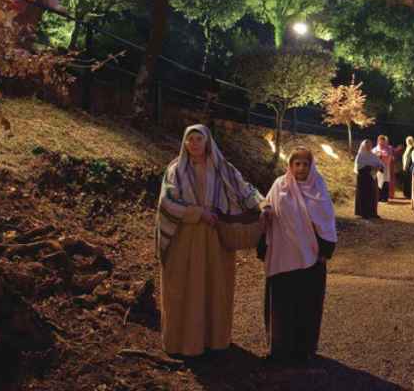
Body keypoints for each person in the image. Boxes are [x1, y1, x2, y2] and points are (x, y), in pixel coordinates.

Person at [156, 124, 262, 357]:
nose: (194, 143)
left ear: (207, 142)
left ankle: (214, 341)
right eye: (190, 139)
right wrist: (197, 213)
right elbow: (166, 202)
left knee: (215, 287)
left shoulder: (223, 168)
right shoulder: (175, 170)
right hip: (184, 238)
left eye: (198, 139)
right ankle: (181, 343)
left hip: (215, 237)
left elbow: (245, 191)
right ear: (184, 143)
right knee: (183, 288)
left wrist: (265, 206)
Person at [258, 147, 337, 364]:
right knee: (281, 306)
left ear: (311, 167)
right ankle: (279, 350)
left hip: (310, 260)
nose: (301, 168)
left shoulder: (319, 189)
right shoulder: (279, 186)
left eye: (305, 164)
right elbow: (267, 214)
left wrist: (324, 251)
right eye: (297, 164)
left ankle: (304, 351)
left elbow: (327, 223)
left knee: (306, 307)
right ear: (290, 166)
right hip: (282, 257)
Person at [353, 139, 383, 219]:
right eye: (367, 145)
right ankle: (364, 213)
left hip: (372, 178)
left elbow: (380, 164)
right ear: (364, 146)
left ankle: (373, 212)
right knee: (364, 195)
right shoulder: (360, 155)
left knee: (373, 195)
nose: (369, 147)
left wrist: (379, 167)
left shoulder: (373, 155)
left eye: (370, 145)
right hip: (363, 179)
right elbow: (359, 167)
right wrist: (369, 167)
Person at [374, 135, 395, 202]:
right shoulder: (375, 149)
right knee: (378, 183)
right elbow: (372, 157)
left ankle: (385, 198)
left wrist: (384, 157)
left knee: (385, 183)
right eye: (381, 142)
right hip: (378, 169)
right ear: (378, 141)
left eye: (383, 142)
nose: (382, 143)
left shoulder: (388, 149)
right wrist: (378, 156)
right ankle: (378, 197)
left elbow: (390, 157)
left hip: (386, 168)